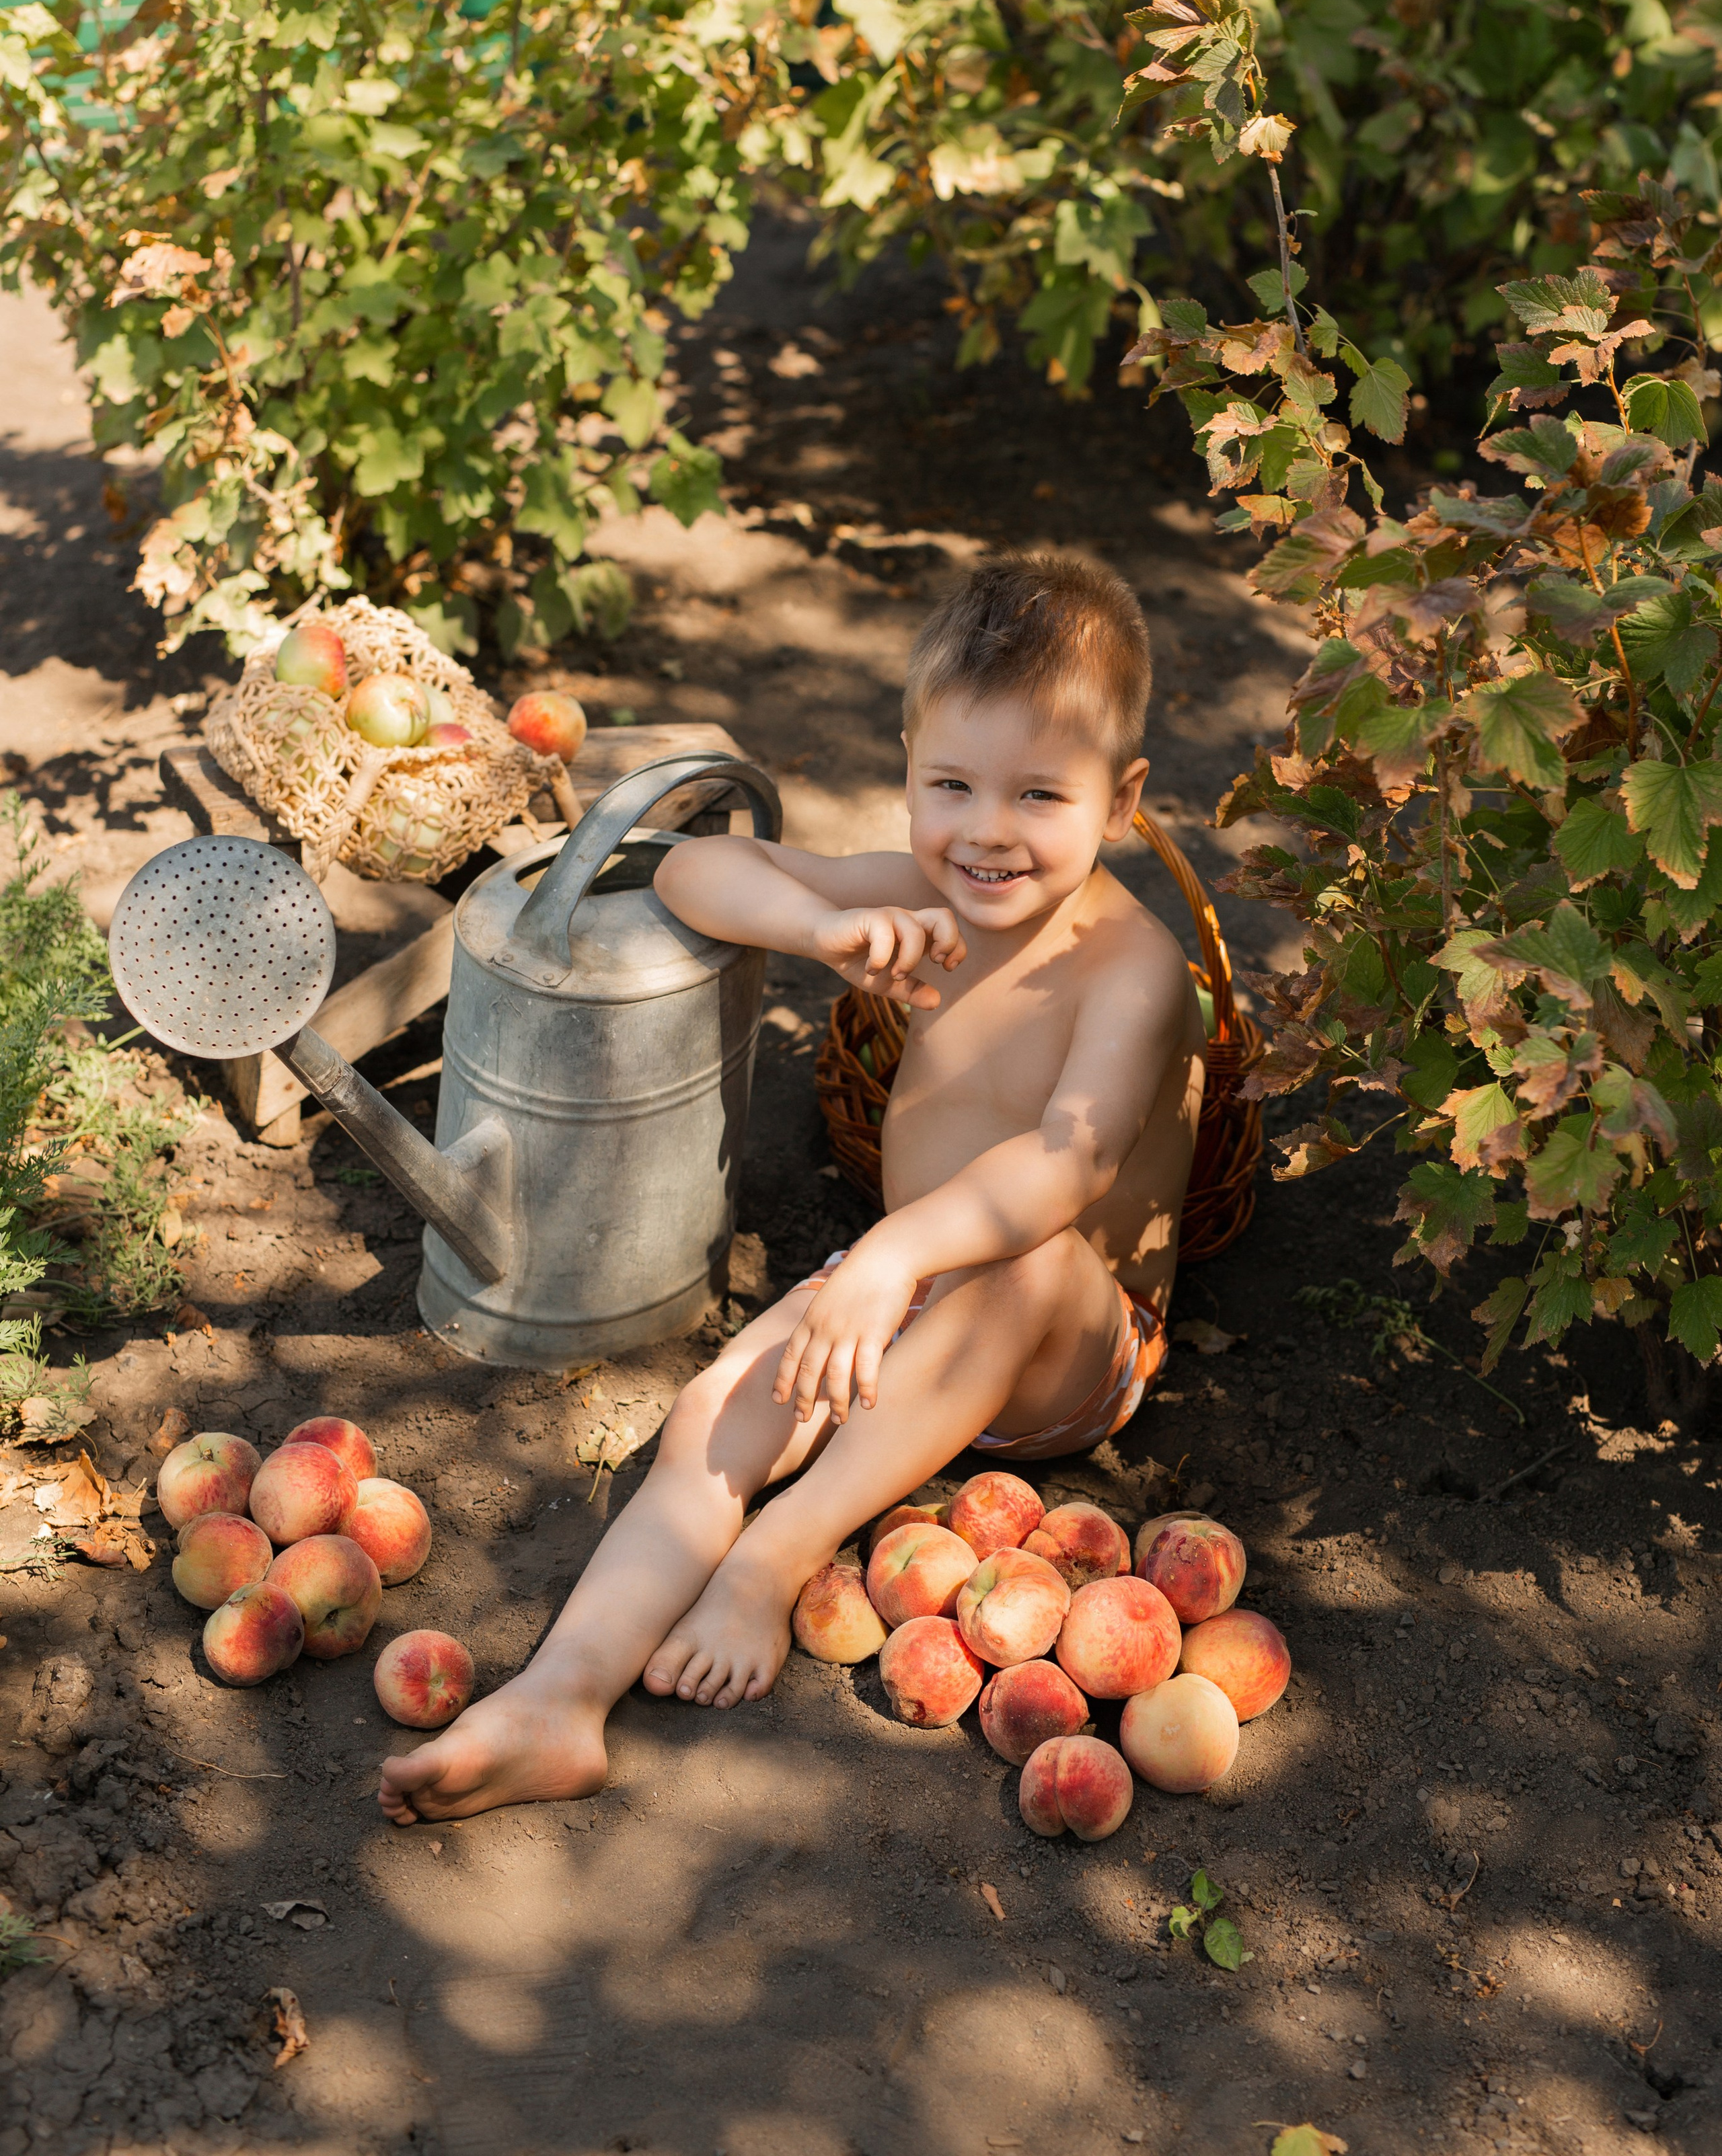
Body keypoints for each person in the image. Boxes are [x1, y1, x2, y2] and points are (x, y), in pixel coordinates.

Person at [377, 552, 1204, 1824]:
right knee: (714, 1417)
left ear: (1122, 799)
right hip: (902, 1287)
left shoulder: (1132, 972)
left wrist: (885, 1262)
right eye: (951, 786)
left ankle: (779, 1551)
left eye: (1040, 794)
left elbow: (1068, 1166)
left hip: (1060, 1337)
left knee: (1026, 1259)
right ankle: (560, 1698)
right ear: (910, 768)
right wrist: (819, 927)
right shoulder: (930, 889)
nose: (986, 830)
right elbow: (688, 873)